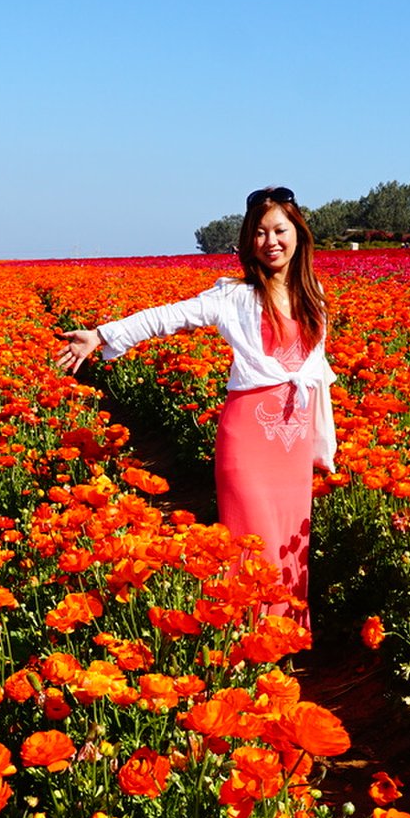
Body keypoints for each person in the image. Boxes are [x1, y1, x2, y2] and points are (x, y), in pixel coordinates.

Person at [55, 187, 336, 624]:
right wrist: (101, 335)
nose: (271, 241)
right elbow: (167, 316)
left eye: (280, 230)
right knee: (252, 541)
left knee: (290, 540)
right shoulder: (235, 297)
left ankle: (284, 639)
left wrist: (321, 443)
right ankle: (247, 641)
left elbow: (317, 374)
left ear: (298, 234)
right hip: (250, 441)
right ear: (248, 242)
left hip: (293, 442)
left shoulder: (313, 294)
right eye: (259, 233)